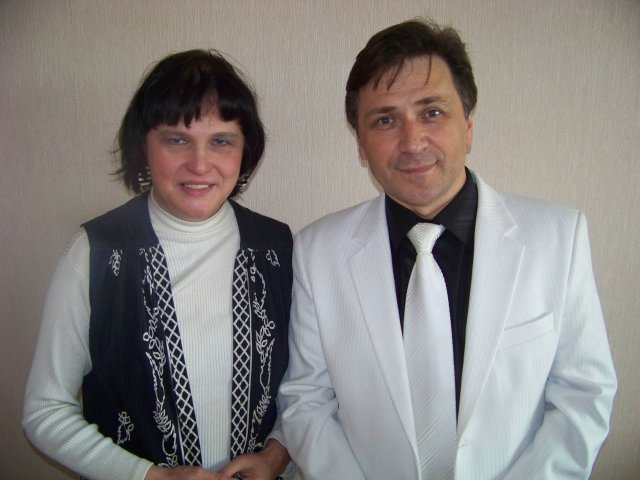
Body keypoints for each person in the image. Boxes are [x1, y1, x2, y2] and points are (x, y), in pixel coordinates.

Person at [278, 18, 617, 480]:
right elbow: (306, 400)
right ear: (360, 144)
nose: (412, 142)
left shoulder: (559, 237)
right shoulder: (317, 251)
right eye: (384, 120)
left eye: (432, 112)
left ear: (468, 126)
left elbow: (583, 394)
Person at [23, 49, 292, 480]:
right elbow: (45, 410)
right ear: (143, 147)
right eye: (176, 140)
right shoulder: (95, 253)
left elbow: (306, 385)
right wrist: (148, 477)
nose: (199, 164)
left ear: (245, 150)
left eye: (221, 141)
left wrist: (278, 452)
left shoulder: (278, 248)